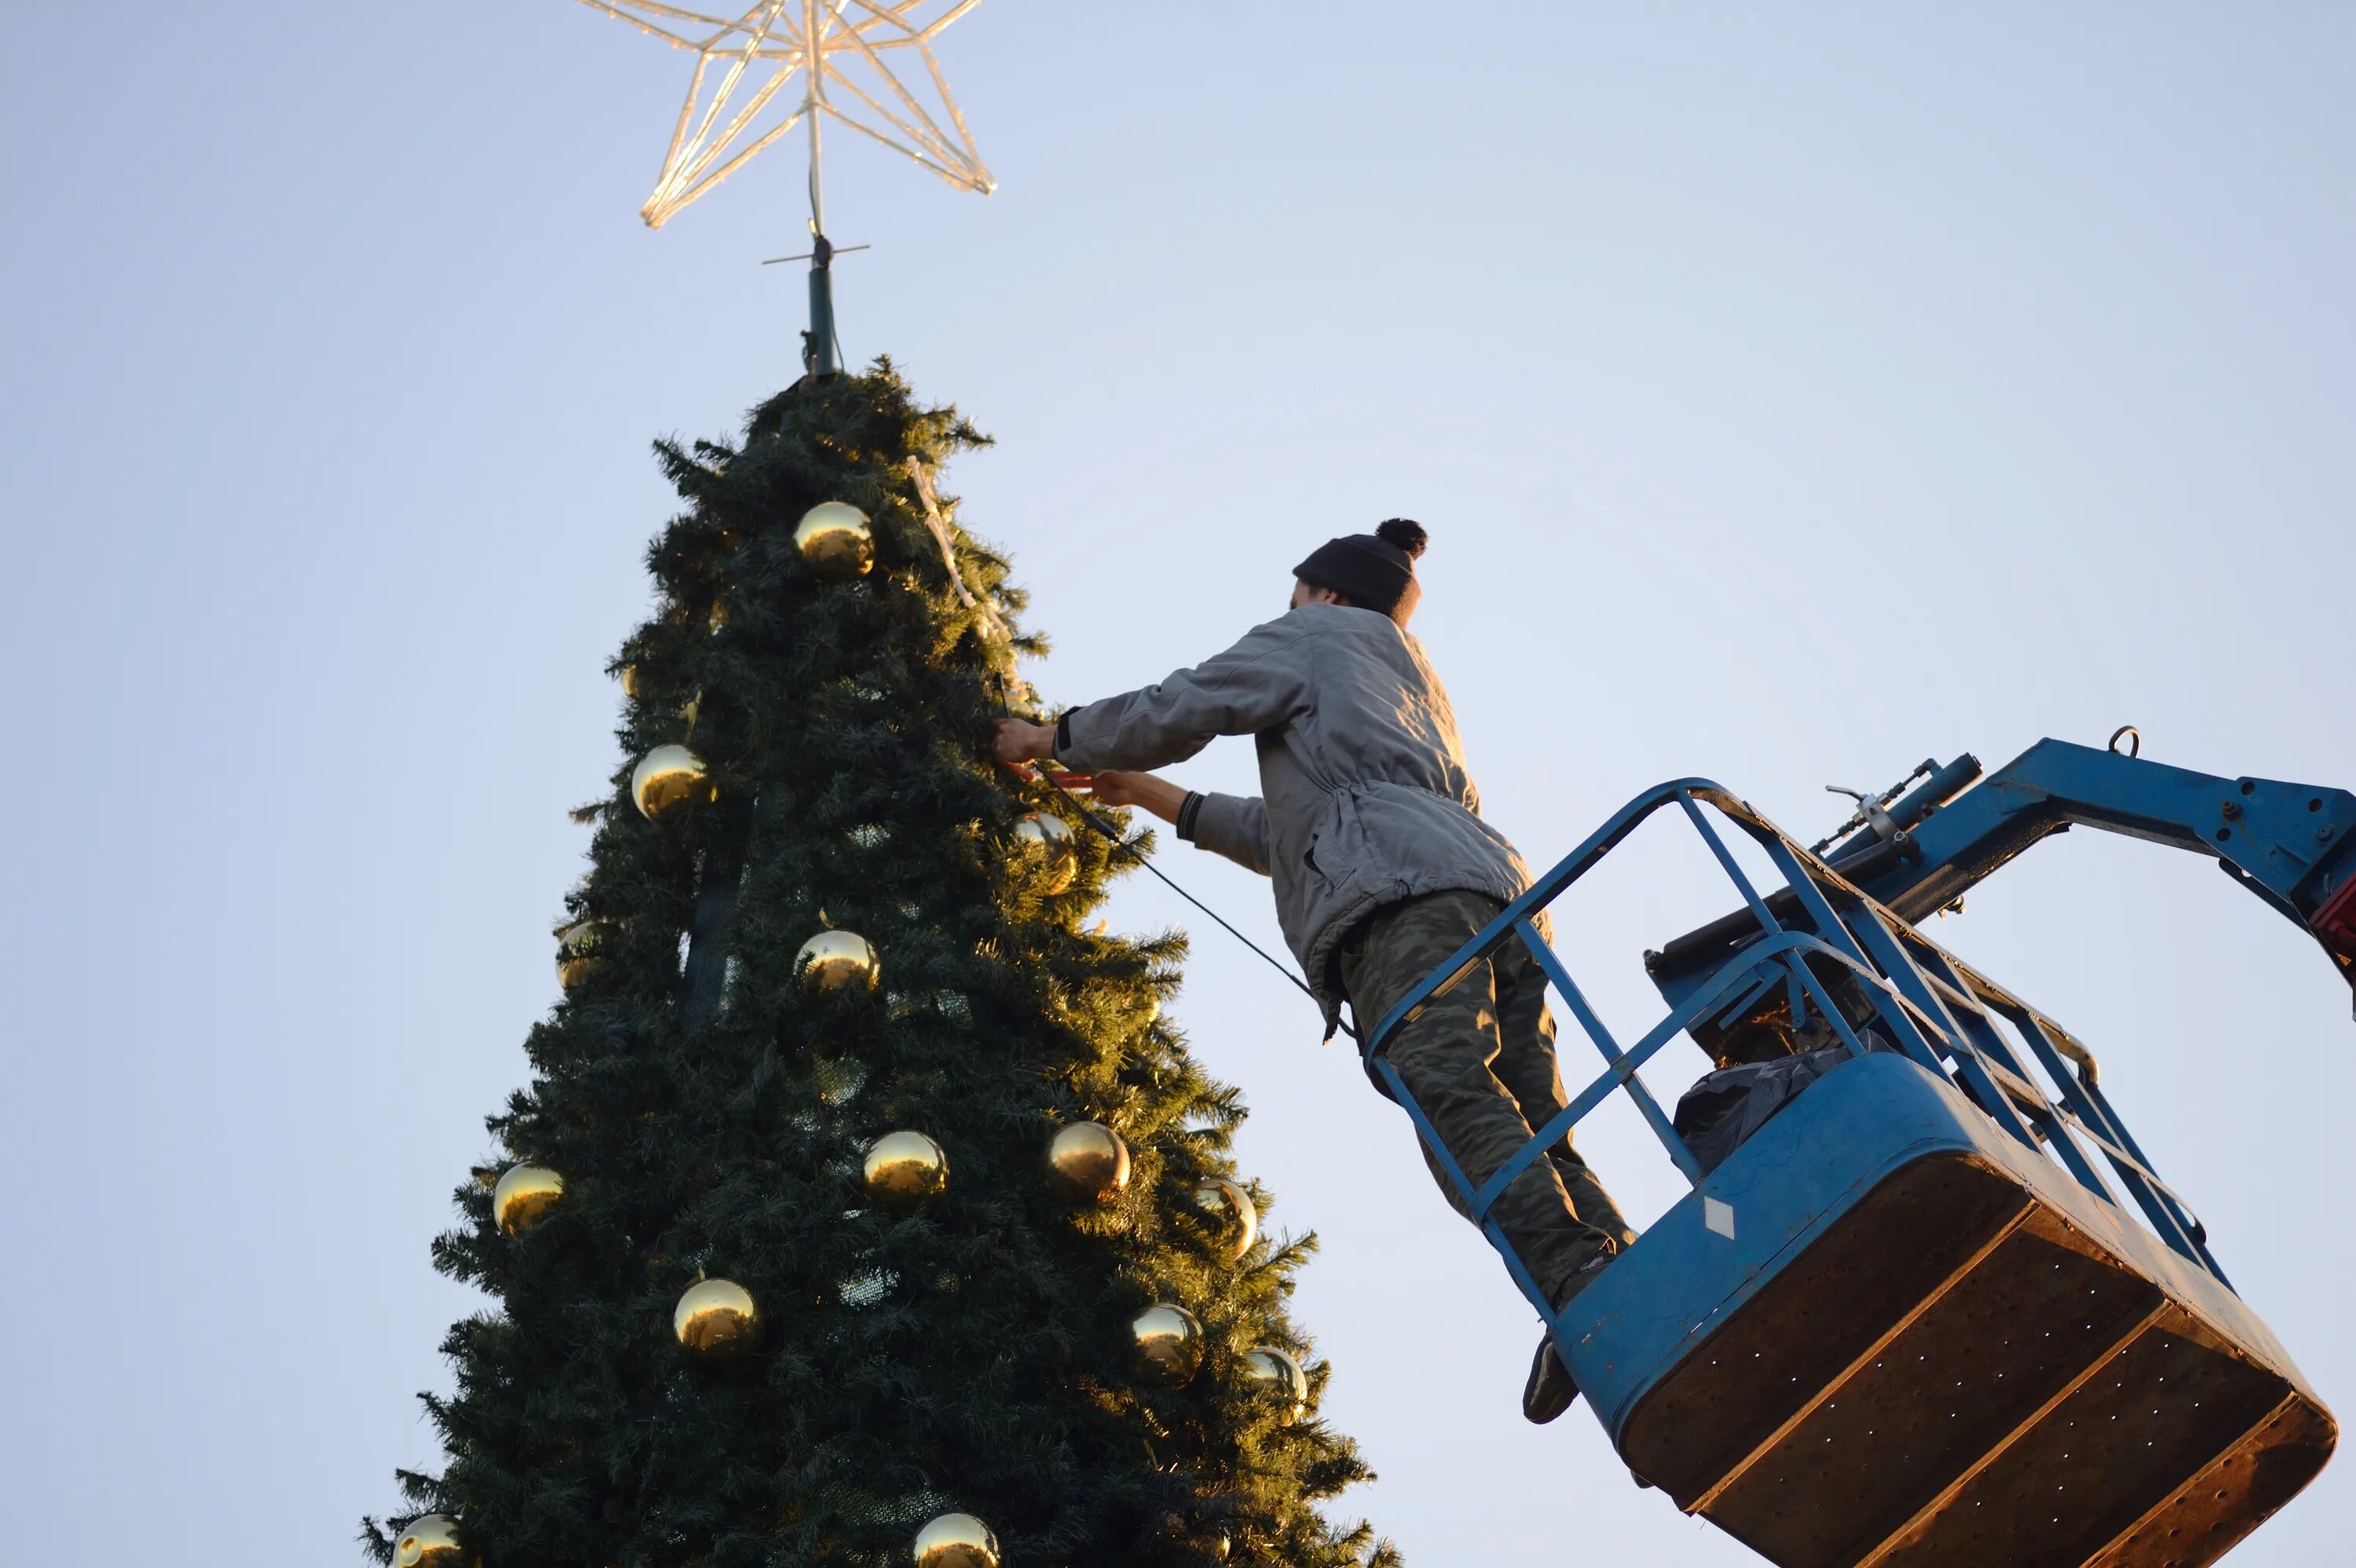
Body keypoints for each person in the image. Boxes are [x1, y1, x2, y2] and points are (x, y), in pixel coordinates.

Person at [992, 519, 1637, 1424]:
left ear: (1325, 591)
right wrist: (1147, 794)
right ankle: (1625, 1275)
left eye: (1294, 590)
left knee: (1455, 1096)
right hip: (1498, 892)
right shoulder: (1408, 676)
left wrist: (1053, 736)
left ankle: (1577, 1282)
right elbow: (1300, 830)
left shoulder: (1313, 633)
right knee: (1534, 1107)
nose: (1283, 606)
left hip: (1400, 905)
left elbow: (1187, 702)